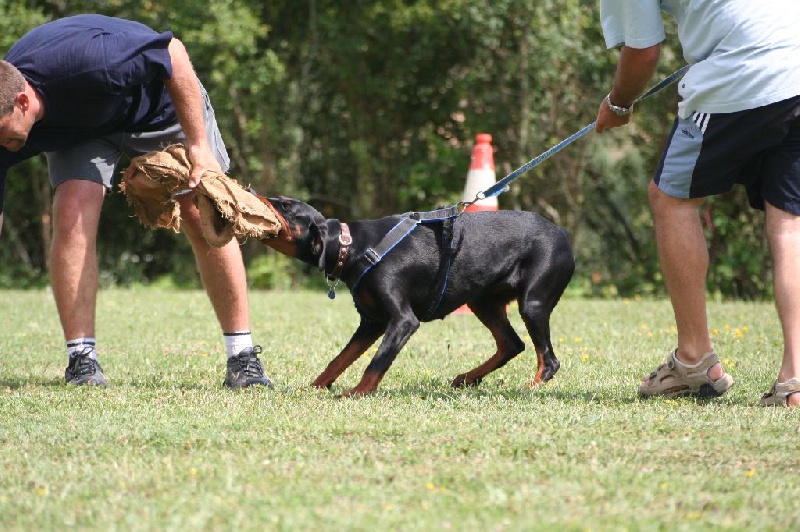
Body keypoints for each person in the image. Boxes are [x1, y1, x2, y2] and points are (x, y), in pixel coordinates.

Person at [0, 14, 273, 389]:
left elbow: (173, 53)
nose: (4, 144)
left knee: (201, 211)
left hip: (160, 107)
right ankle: (82, 361)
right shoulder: (5, 123)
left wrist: (198, 148)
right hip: (84, 129)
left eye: (4, 133)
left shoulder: (92, 63)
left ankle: (242, 358)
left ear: (22, 101)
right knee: (72, 211)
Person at [595, 1, 800, 407]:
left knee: (671, 200)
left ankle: (693, 360)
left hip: (742, 73)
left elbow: (643, 51)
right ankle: (795, 379)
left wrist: (618, 104)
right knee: (790, 221)